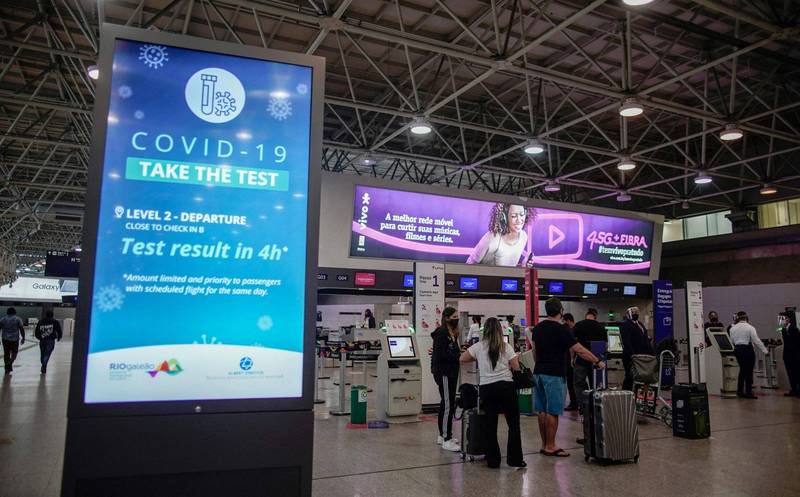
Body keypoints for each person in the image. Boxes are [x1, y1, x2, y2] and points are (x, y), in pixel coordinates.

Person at [532, 298, 605, 457]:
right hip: (554, 374)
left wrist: (540, 364)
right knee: (552, 411)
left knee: (542, 411)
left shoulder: (538, 328)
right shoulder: (561, 330)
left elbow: (534, 352)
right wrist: (597, 360)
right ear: (561, 311)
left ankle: (544, 444)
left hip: (538, 372)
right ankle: (551, 445)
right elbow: (579, 350)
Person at [460, 317, 525, 469]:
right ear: (500, 330)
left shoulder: (478, 347)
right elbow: (516, 367)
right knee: (513, 424)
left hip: (487, 389)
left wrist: (477, 358)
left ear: (485, 331)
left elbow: (462, 358)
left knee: (490, 425)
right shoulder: (506, 346)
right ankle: (515, 460)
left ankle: (493, 461)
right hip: (506, 387)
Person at [431, 307, 461, 451]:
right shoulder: (442, 333)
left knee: (446, 403)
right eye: (454, 317)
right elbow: (441, 354)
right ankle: (446, 438)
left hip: (452, 372)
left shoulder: (452, 333)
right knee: (448, 405)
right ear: (447, 318)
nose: (457, 319)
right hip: (445, 373)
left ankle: (442, 435)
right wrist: (458, 356)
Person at [466, 203, 532, 267]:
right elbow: (470, 264)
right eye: (514, 216)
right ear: (504, 217)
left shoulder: (523, 237)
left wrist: (523, 266)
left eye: (522, 214)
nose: (519, 220)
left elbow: (509, 269)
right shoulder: (492, 237)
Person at [729, 311, 768, 399]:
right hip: (747, 349)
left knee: (742, 370)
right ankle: (748, 392)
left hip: (737, 350)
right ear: (746, 318)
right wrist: (765, 351)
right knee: (749, 371)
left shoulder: (732, 329)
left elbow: (732, 341)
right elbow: (756, 340)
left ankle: (740, 391)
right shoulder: (750, 327)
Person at [620, 306, 654, 390]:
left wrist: (651, 353)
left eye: (636, 312)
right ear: (628, 314)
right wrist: (632, 355)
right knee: (630, 376)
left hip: (642, 355)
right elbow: (626, 342)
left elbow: (645, 339)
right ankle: (626, 393)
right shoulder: (625, 324)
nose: (635, 314)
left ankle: (639, 394)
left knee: (642, 377)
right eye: (633, 312)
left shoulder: (640, 324)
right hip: (631, 356)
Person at [778, 310, 800, 398]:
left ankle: (798, 390)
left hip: (795, 354)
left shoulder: (794, 329)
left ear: (788, 319)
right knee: (790, 373)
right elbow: (778, 330)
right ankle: (793, 389)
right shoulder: (783, 329)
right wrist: (781, 325)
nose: (781, 320)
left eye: (782, 318)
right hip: (787, 355)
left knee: (797, 372)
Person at [1, 307, 25, 374]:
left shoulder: (3, 319)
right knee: (14, 353)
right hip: (14, 339)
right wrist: (23, 338)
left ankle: (7, 368)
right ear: (14, 312)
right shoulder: (18, 319)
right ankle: (9, 363)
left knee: (6, 354)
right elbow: (21, 329)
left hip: (5, 339)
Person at [562, 313, 578, 411]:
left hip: (571, 361)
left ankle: (574, 403)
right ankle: (577, 402)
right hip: (579, 359)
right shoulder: (577, 329)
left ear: (568, 320)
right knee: (576, 382)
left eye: (563, 320)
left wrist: (572, 358)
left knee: (571, 382)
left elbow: (571, 347)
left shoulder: (570, 331)